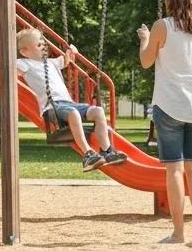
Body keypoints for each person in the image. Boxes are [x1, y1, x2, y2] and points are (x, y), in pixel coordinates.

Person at [137, 0, 192, 246]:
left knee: (175, 170)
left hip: (170, 105)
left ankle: (179, 233)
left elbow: (146, 62)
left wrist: (145, 38)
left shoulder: (163, 27)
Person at [16, 28, 127, 171]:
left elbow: (66, 60)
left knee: (98, 111)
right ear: (25, 52)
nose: (43, 46)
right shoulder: (25, 64)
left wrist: (72, 52)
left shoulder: (51, 62)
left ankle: (107, 151)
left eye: (43, 43)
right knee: (73, 113)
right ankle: (88, 154)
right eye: (38, 45)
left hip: (68, 104)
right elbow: (7, 67)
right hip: (53, 107)